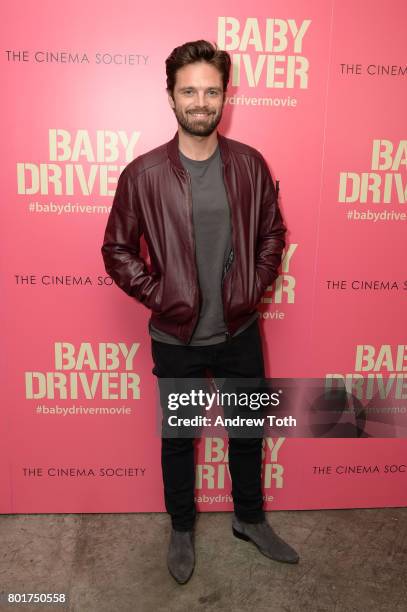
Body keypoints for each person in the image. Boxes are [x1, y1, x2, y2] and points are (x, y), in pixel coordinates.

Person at [101, 39, 299, 584]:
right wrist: (161, 296)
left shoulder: (250, 165)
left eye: (211, 90)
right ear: (170, 96)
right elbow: (116, 249)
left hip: (239, 329)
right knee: (179, 439)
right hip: (176, 336)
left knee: (246, 431)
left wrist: (256, 285)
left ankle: (250, 519)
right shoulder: (143, 174)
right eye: (189, 90)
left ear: (224, 97)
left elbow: (272, 234)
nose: (200, 101)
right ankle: (182, 527)